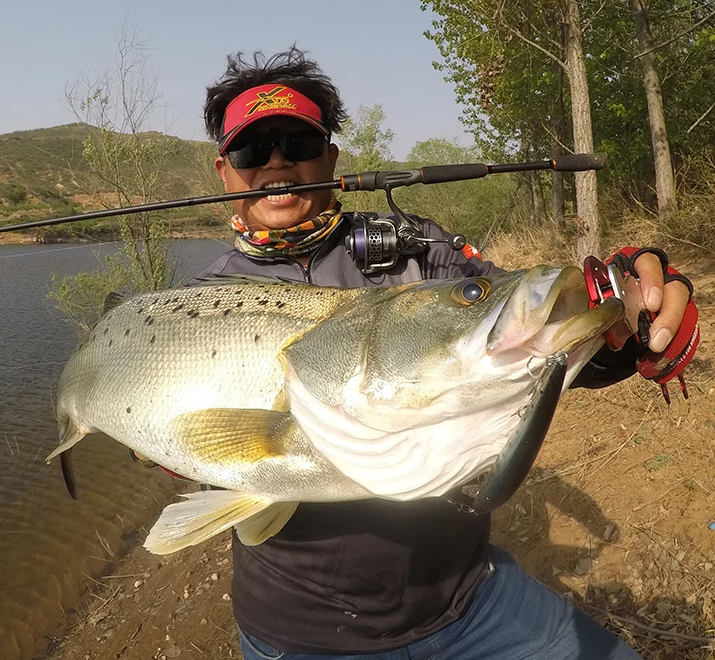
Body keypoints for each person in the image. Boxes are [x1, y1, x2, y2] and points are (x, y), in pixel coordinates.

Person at [194, 47, 695, 660]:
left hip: (469, 601)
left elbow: (527, 334)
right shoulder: (199, 305)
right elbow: (189, 452)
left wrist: (625, 315)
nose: (277, 163)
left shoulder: (418, 251)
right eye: (252, 151)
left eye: (298, 145)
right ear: (224, 170)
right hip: (300, 636)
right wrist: (165, 454)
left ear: (330, 157)